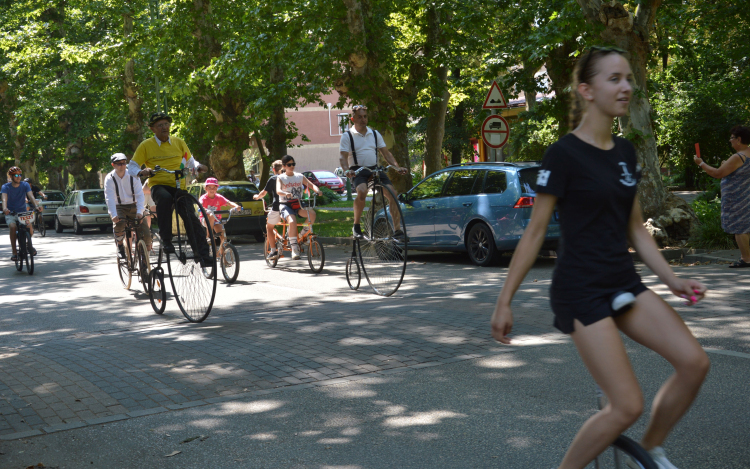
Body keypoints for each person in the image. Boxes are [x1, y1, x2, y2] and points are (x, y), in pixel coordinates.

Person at [489, 47, 710, 469]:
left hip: (622, 281)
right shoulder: (564, 155)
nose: (626, 86)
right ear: (586, 90)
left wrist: (673, 279)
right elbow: (535, 232)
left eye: (628, 78)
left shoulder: (625, 153)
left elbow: (636, 229)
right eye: (614, 79)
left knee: (694, 362)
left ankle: (652, 449)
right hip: (581, 290)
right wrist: (505, 300)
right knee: (626, 405)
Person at [128, 112, 212, 265]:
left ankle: (203, 254)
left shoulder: (179, 142)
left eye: (166, 124)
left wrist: (198, 167)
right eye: (160, 125)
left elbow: (190, 161)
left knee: (191, 217)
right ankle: (166, 240)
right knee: (165, 199)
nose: (164, 127)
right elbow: (132, 166)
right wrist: (141, 172)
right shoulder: (146, 146)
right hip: (158, 184)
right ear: (153, 129)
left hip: (179, 185)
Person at [338, 105, 408, 239]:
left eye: (365, 116)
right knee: (362, 191)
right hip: (357, 170)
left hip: (374, 168)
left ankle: (397, 230)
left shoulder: (374, 134)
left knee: (393, 194)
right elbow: (342, 156)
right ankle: (356, 225)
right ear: (353, 119)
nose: (363, 119)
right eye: (359, 117)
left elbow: (387, 154)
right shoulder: (347, 136)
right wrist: (346, 170)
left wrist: (397, 167)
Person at [693, 125, 750, 268]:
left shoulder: (738, 156)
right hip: (746, 196)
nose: (730, 141)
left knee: (739, 228)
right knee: (745, 227)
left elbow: (717, 173)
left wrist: (701, 164)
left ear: (739, 139)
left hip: (737, 199)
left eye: (732, 138)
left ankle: (746, 259)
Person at [104, 153, 150, 259]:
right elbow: (109, 198)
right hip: (119, 206)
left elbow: (139, 195)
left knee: (146, 233)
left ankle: (144, 259)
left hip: (134, 205)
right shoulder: (109, 179)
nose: (122, 165)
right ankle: (120, 246)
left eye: (124, 163)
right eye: (119, 164)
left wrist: (139, 212)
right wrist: (113, 214)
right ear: (113, 165)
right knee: (119, 224)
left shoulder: (133, 176)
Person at [276, 155, 322, 260]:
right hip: (285, 204)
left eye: (293, 164)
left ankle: (302, 235)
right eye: (289, 165)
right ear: (284, 166)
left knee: (312, 214)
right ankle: (295, 248)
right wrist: (285, 193)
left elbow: (311, 185)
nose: (292, 166)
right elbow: (278, 190)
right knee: (292, 221)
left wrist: (317, 191)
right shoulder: (281, 177)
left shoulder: (299, 176)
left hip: (298, 204)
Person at [2, 167, 42, 260]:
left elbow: (31, 196)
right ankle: (14, 252)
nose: (18, 177)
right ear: (11, 177)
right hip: (10, 212)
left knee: (29, 227)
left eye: (20, 175)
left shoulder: (25, 185)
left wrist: (36, 206)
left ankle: (28, 245)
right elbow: (4, 199)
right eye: (16, 175)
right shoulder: (5, 187)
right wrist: (5, 209)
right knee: (12, 227)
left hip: (22, 212)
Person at [199, 177, 241, 258]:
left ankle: (223, 258)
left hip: (217, 219)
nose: (212, 189)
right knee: (211, 216)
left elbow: (229, 203)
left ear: (217, 188)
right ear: (206, 188)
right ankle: (209, 236)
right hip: (206, 220)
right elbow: (200, 203)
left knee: (223, 237)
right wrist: (201, 207)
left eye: (214, 187)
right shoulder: (204, 198)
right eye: (209, 187)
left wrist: (236, 206)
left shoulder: (219, 197)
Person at [253, 160, 283, 259]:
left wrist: (257, 197)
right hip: (291, 206)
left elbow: (264, 193)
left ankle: (273, 251)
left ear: (273, 169)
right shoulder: (289, 177)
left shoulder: (273, 178)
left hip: (278, 207)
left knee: (269, 227)